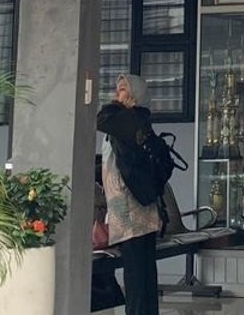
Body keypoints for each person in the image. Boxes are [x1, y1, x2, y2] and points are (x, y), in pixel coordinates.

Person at [96, 74, 164, 315]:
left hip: (130, 208)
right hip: (140, 206)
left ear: (135, 95)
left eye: (123, 89)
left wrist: (117, 106)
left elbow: (101, 118)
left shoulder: (127, 119)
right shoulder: (138, 119)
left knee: (136, 275)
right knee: (144, 272)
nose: (116, 94)